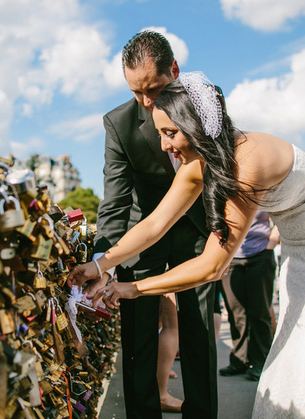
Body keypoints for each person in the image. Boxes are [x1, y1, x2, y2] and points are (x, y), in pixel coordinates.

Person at [67, 72, 305, 417]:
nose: (164, 145)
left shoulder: (246, 162)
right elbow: (154, 224)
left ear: (195, 126)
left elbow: (212, 265)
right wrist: (100, 265)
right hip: (300, 238)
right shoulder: (197, 163)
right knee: (301, 336)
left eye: (171, 133)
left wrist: (133, 288)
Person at [86, 30, 217, 418]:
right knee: (139, 338)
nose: (146, 101)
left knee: (199, 334)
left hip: (197, 231)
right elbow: (115, 197)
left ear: (174, 70)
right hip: (141, 234)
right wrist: (102, 259)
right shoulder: (119, 123)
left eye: (154, 89)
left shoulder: (207, 104)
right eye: (136, 92)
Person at [218, 211, 278, 383]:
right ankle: (239, 360)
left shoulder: (263, 186)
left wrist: (270, 246)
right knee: (236, 312)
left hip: (260, 255)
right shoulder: (226, 187)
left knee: (259, 312)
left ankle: (261, 362)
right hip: (231, 257)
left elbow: (278, 218)